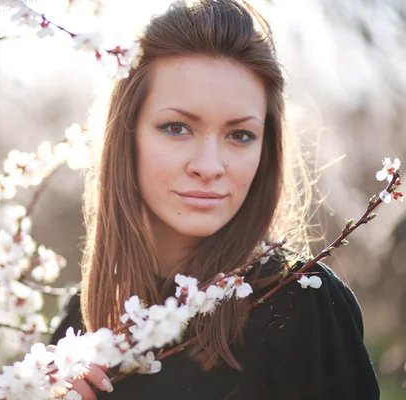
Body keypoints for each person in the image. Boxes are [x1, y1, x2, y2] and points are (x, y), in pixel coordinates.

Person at [50, 0, 381, 399]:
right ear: (127, 137)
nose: (209, 166)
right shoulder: (82, 323)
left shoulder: (300, 304)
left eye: (240, 135)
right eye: (177, 127)